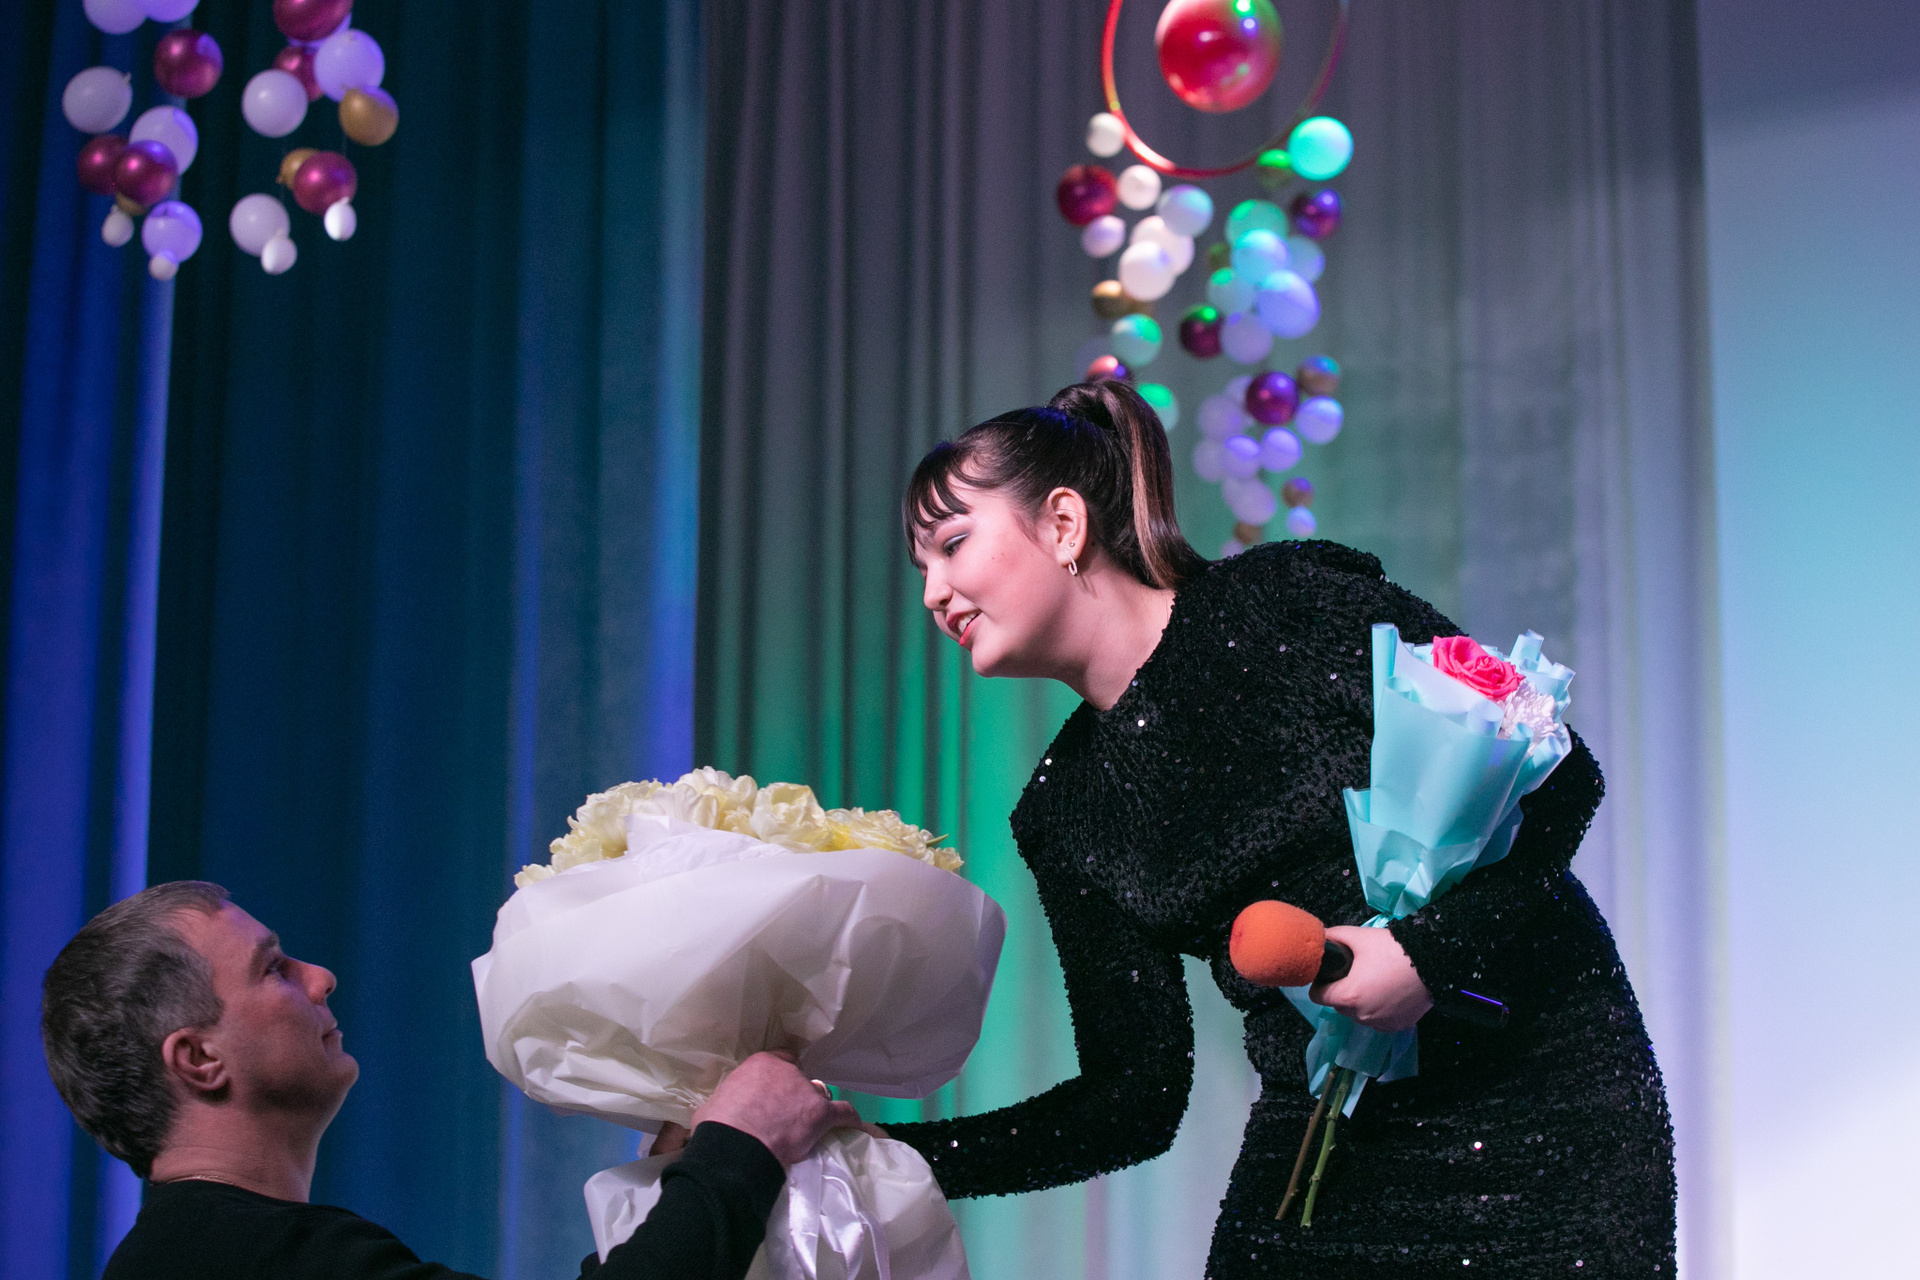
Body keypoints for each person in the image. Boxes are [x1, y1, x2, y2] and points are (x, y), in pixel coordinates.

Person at [883, 380, 1676, 1277]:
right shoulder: (1062, 811)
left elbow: (1564, 776)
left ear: (1064, 524)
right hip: (1323, 1151)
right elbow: (1133, 1100)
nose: (933, 594)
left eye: (952, 544)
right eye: (921, 569)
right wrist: (872, 1159)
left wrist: (1427, 954)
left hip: (1544, 1099)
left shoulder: (1281, 601)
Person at [41, 880, 858, 1280]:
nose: (320, 978)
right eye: (273, 969)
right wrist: (738, 1149)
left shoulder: (189, 1252)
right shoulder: (251, 1258)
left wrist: (690, 1172)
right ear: (199, 1059)